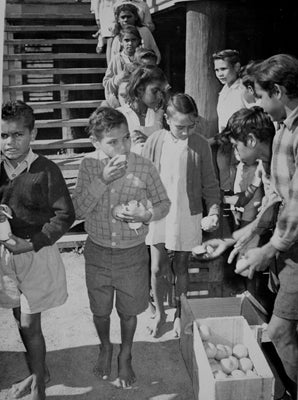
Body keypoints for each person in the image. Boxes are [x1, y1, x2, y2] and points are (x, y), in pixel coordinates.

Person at [203, 54, 298, 400]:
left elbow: (296, 204)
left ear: (278, 91)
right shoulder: (284, 129)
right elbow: (276, 199)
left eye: (260, 95)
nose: (257, 103)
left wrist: (268, 248)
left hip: (294, 249)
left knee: (280, 330)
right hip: (288, 249)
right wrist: (237, 238)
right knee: (282, 327)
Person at [72, 107, 170, 388]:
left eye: (125, 138)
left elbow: (164, 203)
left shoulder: (143, 165)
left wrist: (147, 215)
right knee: (100, 310)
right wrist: (102, 180)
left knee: (129, 311)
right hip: (98, 252)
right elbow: (78, 211)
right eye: (113, 142)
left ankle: (125, 355)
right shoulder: (89, 166)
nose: (123, 146)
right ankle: (106, 347)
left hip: (132, 254)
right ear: (96, 142)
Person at [0, 101, 75, 400]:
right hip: (7, 257)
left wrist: (31, 243)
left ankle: (39, 390)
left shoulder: (45, 171)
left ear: (33, 133)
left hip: (36, 253)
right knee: (20, 317)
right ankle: (37, 372)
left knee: (31, 324)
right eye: (4, 135)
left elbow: (64, 216)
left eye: (18, 135)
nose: (10, 142)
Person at [142, 93, 220, 338]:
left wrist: (214, 210)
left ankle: (180, 313)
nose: (186, 132)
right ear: (166, 119)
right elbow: (141, 177)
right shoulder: (155, 141)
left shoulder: (200, 145)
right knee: (156, 268)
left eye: (191, 126)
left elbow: (210, 183)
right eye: (180, 127)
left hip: (187, 213)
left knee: (182, 266)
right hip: (159, 211)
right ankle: (160, 314)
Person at [117, 64, 168, 154]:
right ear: (140, 89)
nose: (160, 96)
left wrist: (150, 142)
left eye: (161, 91)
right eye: (155, 91)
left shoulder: (161, 116)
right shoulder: (119, 115)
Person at [103, 25, 142, 106]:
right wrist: (118, 78)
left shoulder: (142, 58)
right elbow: (106, 83)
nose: (130, 43)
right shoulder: (116, 59)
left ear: (138, 41)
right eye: (126, 40)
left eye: (133, 40)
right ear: (121, 41)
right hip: (122, 101)